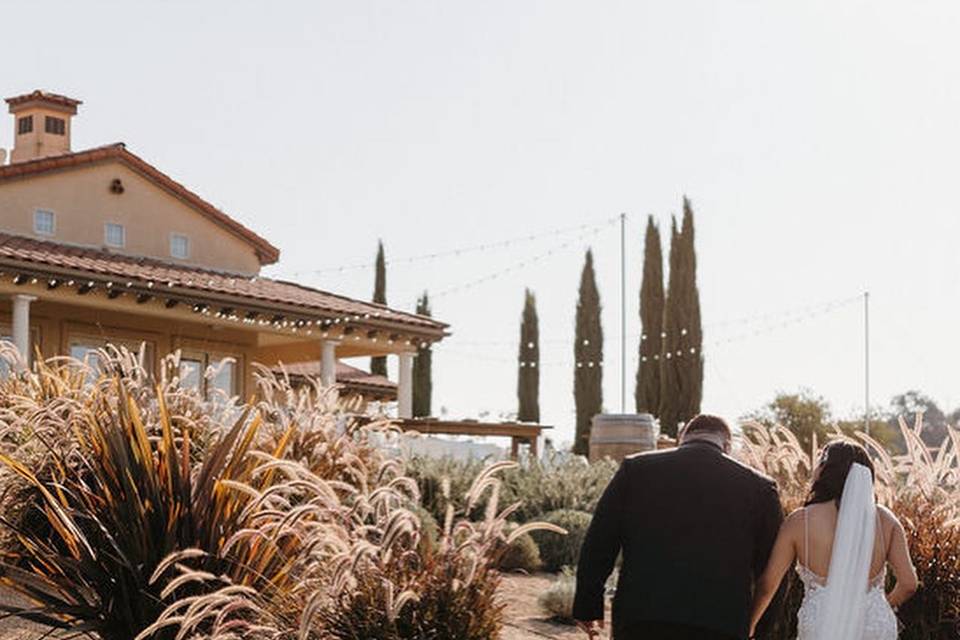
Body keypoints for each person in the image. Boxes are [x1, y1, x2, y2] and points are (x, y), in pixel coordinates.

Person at [573, 414, 784, 639]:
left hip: (642, 618)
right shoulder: (760, 488)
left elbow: (600, 541)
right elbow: (772, 570)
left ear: (680, 439)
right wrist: (762, 628)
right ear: (727, 445)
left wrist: (588, 605)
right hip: (720, 624)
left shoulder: (636, 470)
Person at [749, 441, 918, 640]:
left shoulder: (799, 521)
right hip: (873, 626)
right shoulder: (887, 521)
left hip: (821, 624)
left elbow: (769, 583)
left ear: (826, 471)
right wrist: (878, 607)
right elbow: (909, 583)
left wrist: (750, 625)